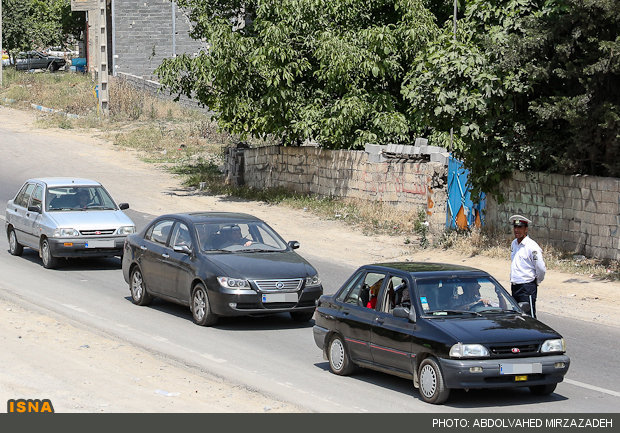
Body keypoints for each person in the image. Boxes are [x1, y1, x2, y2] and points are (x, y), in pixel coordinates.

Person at [509, 214, 546, 317]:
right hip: (515, 286)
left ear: (526, 229)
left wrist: (536, 281)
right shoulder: (514, 244)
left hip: (526, 287)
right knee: (517, 317)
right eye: (515, 227)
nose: (516, 230)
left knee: (529, 317)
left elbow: (541, 268)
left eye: (520, 227)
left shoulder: (531, 246)